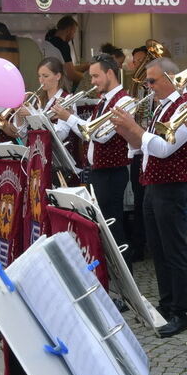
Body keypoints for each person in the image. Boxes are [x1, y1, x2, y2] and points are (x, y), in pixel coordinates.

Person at [109, 57, 187, 337]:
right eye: (147, 81)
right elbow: (143, 147)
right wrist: (125, 130)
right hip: (153, 184)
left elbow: (162, 149)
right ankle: (166, 303)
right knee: (158, 249)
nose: (148, 86)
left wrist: (135, 129)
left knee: (174, 249)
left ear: (171, 77)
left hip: (172, 185)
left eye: (152, 80)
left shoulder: (185, 107)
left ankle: (180, 313)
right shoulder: (161, 107)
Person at [53, 54, 135, 268]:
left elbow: (100, 135)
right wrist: (69, 116)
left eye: (96, 76)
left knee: (113, 227)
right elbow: (86, 133)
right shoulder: (103, 101)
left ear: (110, 73)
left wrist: (68, 117)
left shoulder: (124, 101)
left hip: (112, 172)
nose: (93, 81)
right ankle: (110, 271)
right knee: (104, 226)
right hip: (100, 172)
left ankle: (125, 274)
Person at [41, 15, 85, 85]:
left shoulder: (47, 42)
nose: (73, 36)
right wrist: (88, 79)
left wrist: (84, 67)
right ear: (69, 30)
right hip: (60, 87)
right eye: (74, 32)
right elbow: (71, 74)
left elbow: (64, 68)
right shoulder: (63, 46)